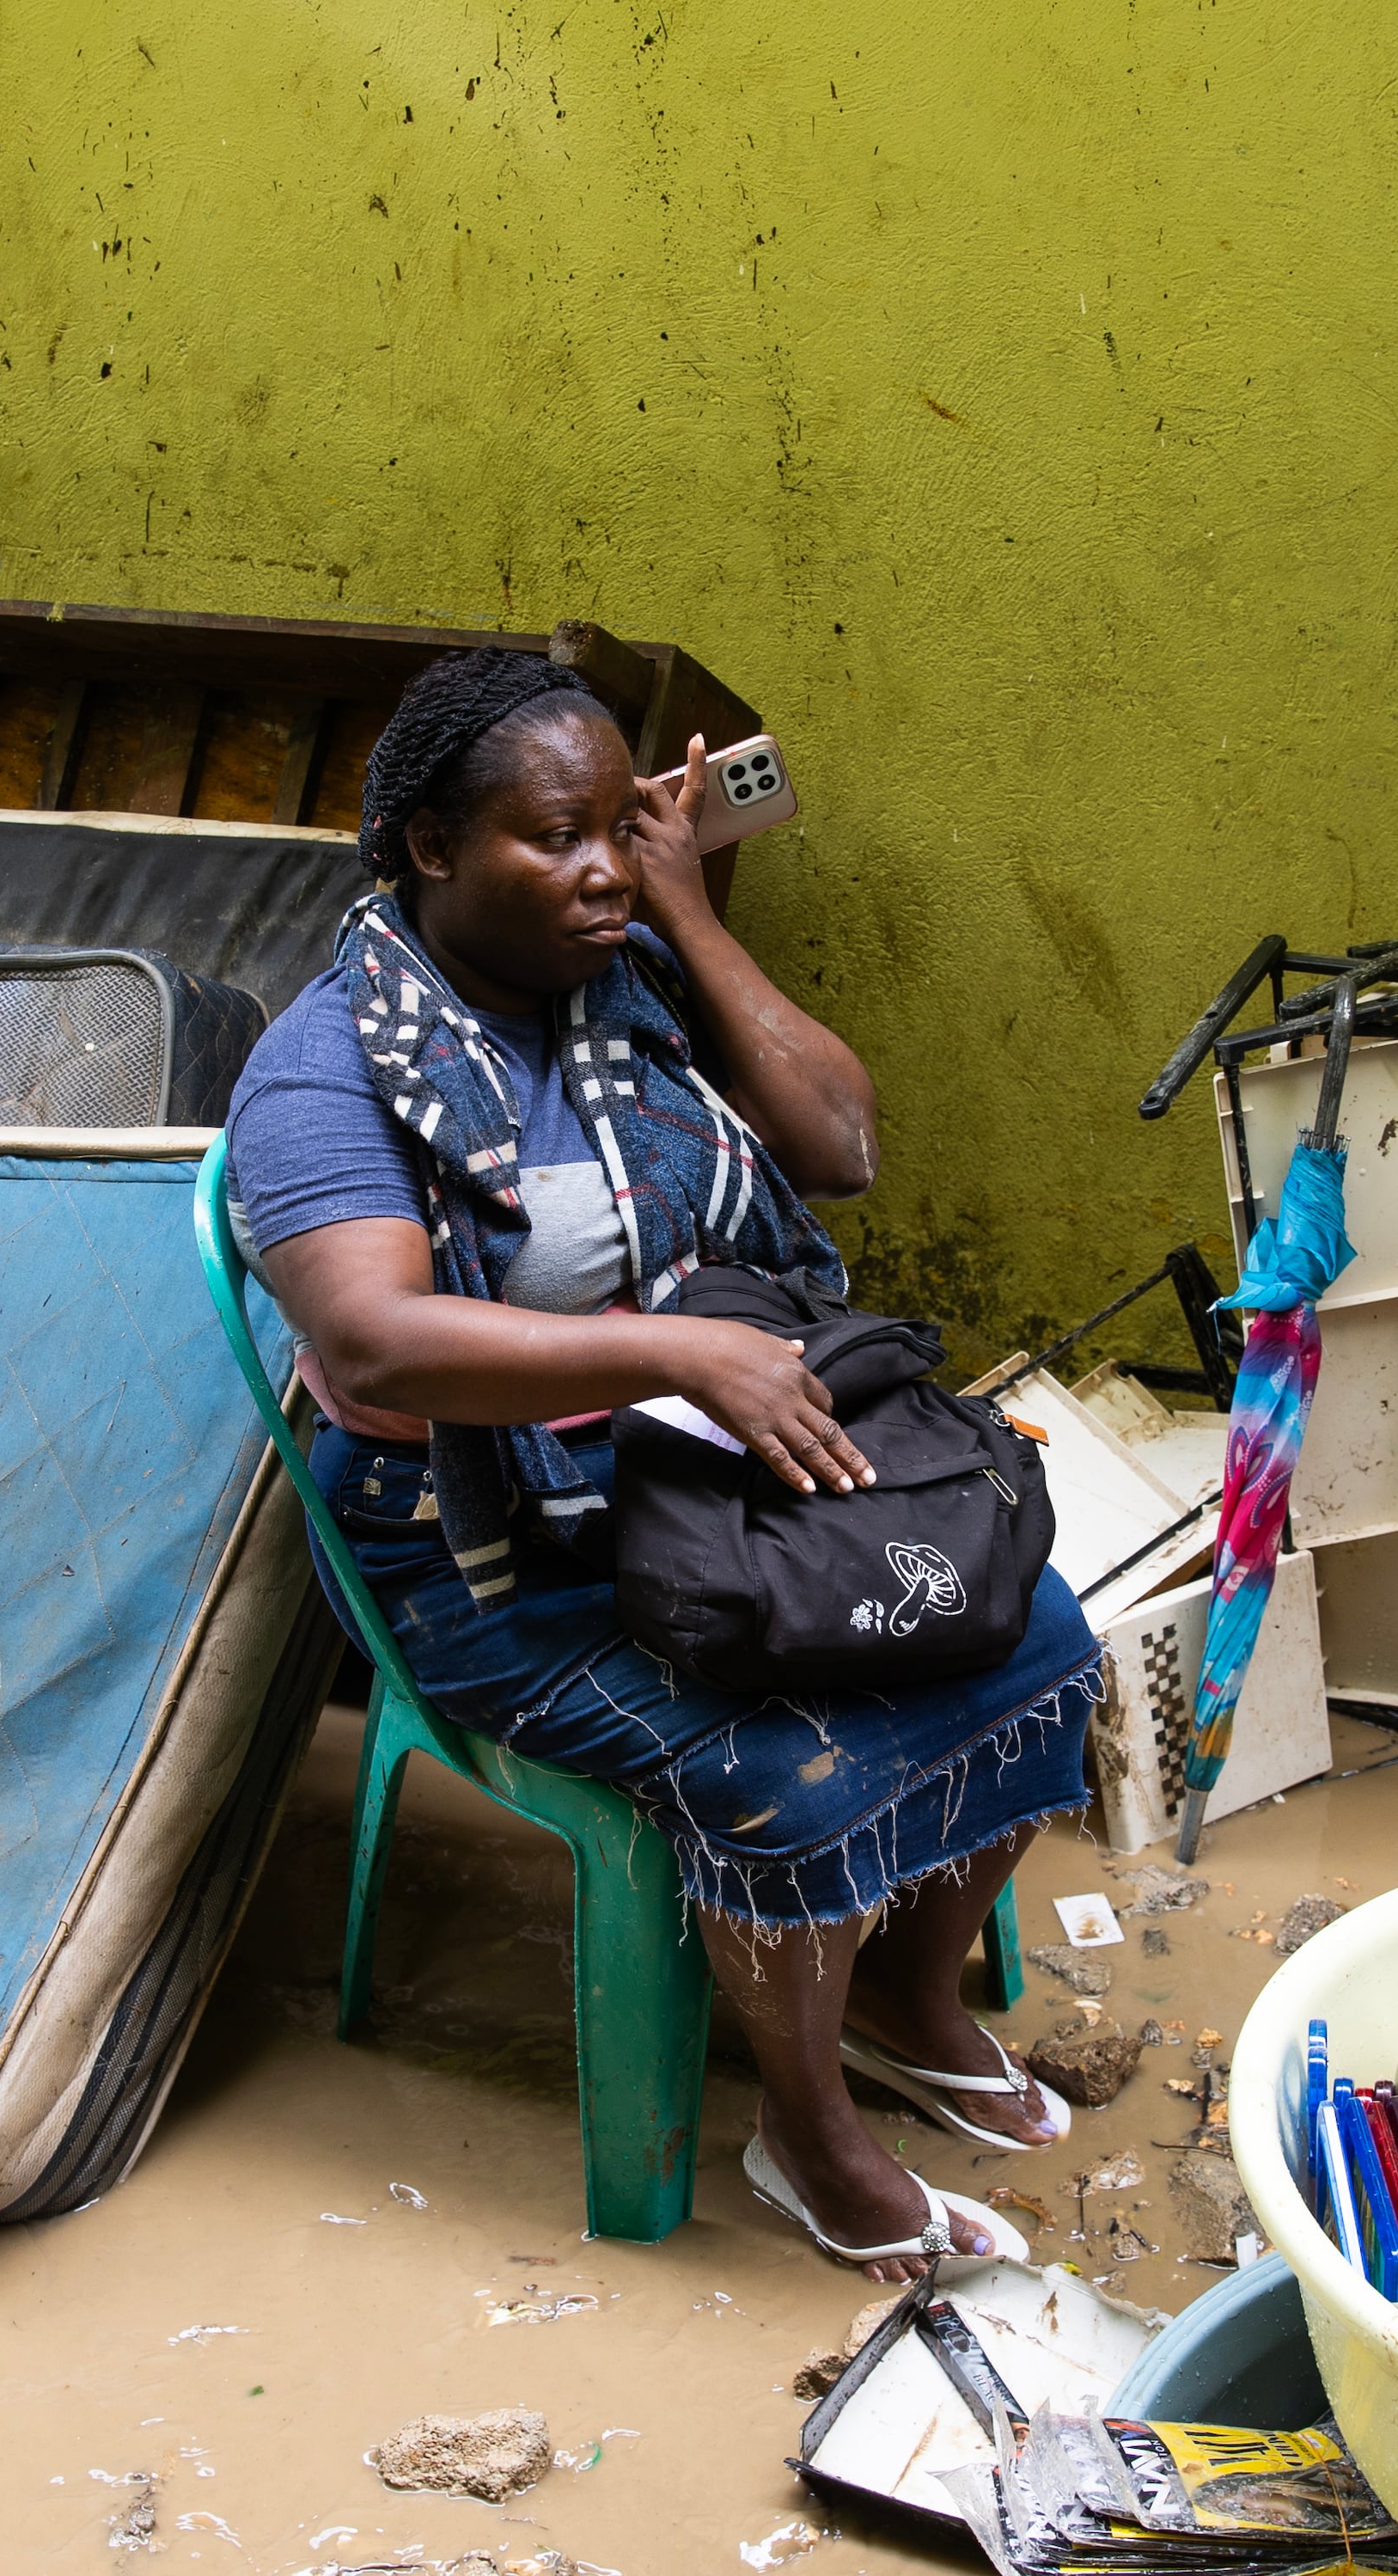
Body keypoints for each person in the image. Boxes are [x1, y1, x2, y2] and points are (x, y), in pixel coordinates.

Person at [229, 649, 1101, 2281]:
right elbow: (371, 1347)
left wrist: (690, 911)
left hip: (698, 1480)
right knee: (793, 1770)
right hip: (487, 1547)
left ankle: (911, 1999)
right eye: (554, 839)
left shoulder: (625, 985)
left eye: (617, 833)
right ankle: (803, 2130)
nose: (599, 872)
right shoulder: (327, 1066)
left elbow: (841, 1148)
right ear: (428, 847)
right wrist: (672, 1349)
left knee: (1037, 1635)